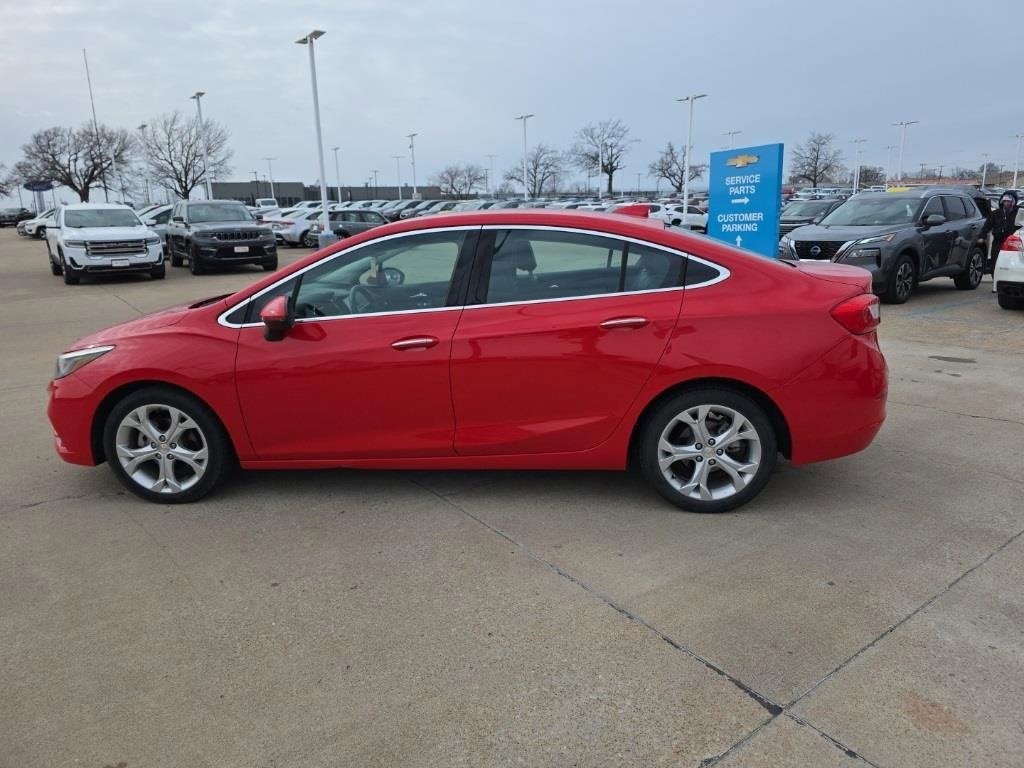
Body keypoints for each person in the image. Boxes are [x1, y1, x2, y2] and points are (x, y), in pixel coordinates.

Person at [980, 191, 1020, 274]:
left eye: (1009, 201)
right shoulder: (996, 213)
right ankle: (995, 278)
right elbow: (987, 226)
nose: (1006, 203)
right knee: (995, 262)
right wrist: (982, 237)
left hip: (1013, 243)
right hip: (998, 241)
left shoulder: (1018, 213)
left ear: (1013, 202)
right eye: (1005, 201)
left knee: (1011, 264)